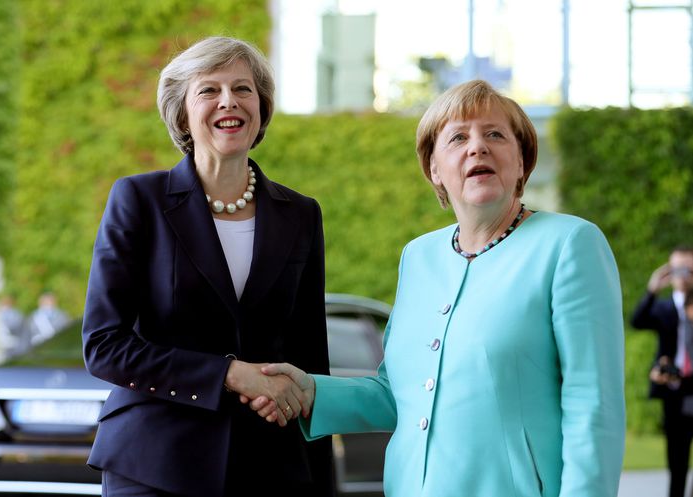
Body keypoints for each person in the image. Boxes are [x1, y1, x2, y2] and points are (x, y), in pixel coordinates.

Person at [249, 80, 626, 497]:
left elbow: (594, 405)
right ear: (434, 170)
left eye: (495, 134)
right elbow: (400, 395)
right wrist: (310, 392)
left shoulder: (569, 243)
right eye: (458, 137)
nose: (477, 147)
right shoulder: (419, 255)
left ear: (522, 161)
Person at [82, 36, 334, 497]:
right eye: (209, 90)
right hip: (155, 460)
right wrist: (228, 373)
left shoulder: (301, 214)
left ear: (261, 108)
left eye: (243, 89)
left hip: (270, 465)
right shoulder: (139, 200)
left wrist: (319, 478)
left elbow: (309, 357)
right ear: (182, 114)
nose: (229, 101)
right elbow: (104, 345)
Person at [631, 246, 693, 497]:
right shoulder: (665, 308)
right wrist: (652, 289)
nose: (684, 275)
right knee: (676, 463)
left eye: (689, 269)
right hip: (674, 389)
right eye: (678, 269)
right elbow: (637, 320)